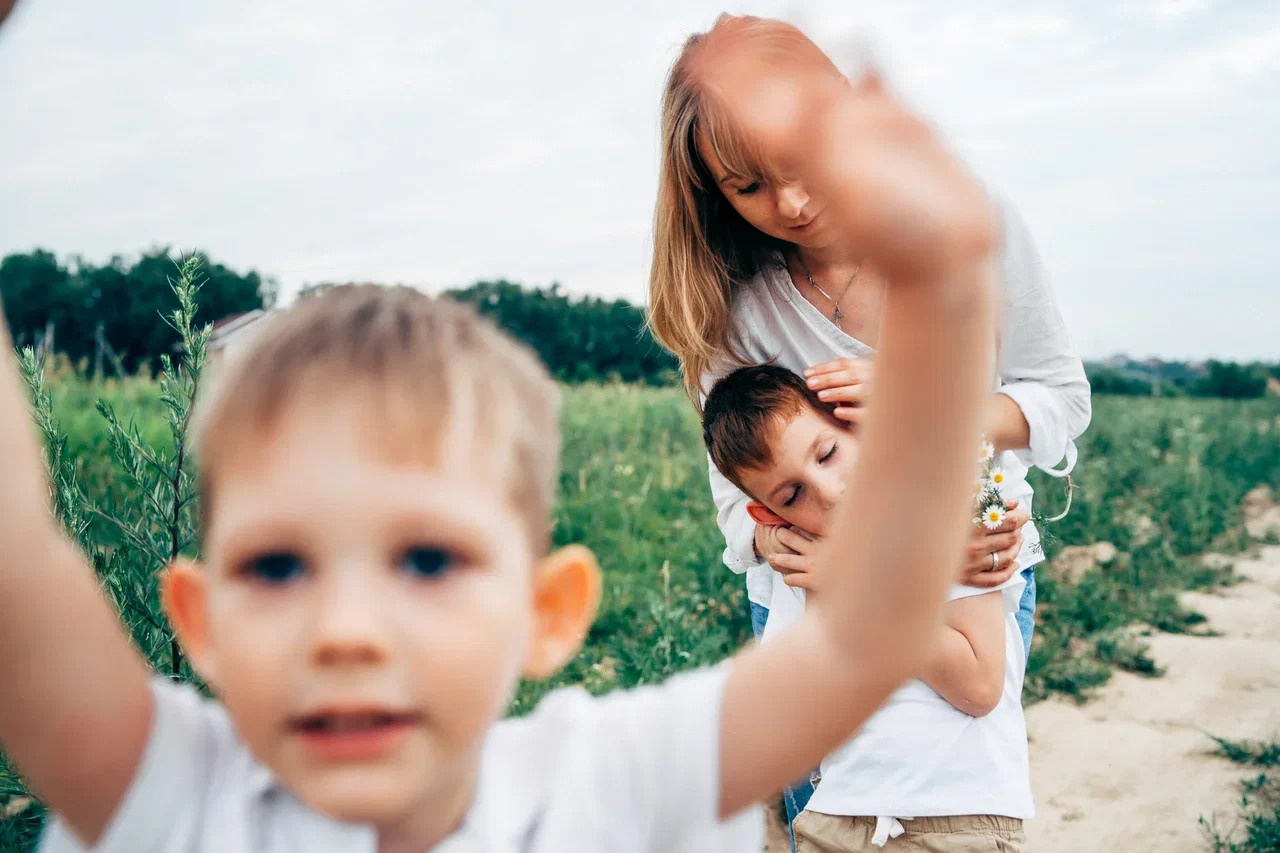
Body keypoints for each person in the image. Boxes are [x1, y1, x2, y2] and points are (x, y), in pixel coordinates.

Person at [0, 33, 1003, 850]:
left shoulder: (597, 792)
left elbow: (868, 623)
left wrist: (937, 291)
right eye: (275, 565)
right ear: (200, 618)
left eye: (427, 558)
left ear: (544, 610)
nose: (348, 628)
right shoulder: (169, 797)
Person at [647, 15, 1090, 831]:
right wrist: (803, 547)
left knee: (949, 814)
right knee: (820, 818)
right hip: (814, 599)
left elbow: (1060, 397)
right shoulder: (735, 302)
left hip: (970, 576)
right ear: (713, 193)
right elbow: (740, 501)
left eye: (799, 161)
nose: (792, 202)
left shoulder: (961, 224)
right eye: (748, 187)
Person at [704, 364, 1032, 851]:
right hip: (834, 819)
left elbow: (980, 685)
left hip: (953, 819)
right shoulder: (803, 566)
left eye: (828, 454)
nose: (829, 491)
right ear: (769, 516)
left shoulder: (958, 519)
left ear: (856, 423)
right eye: (793, 495)